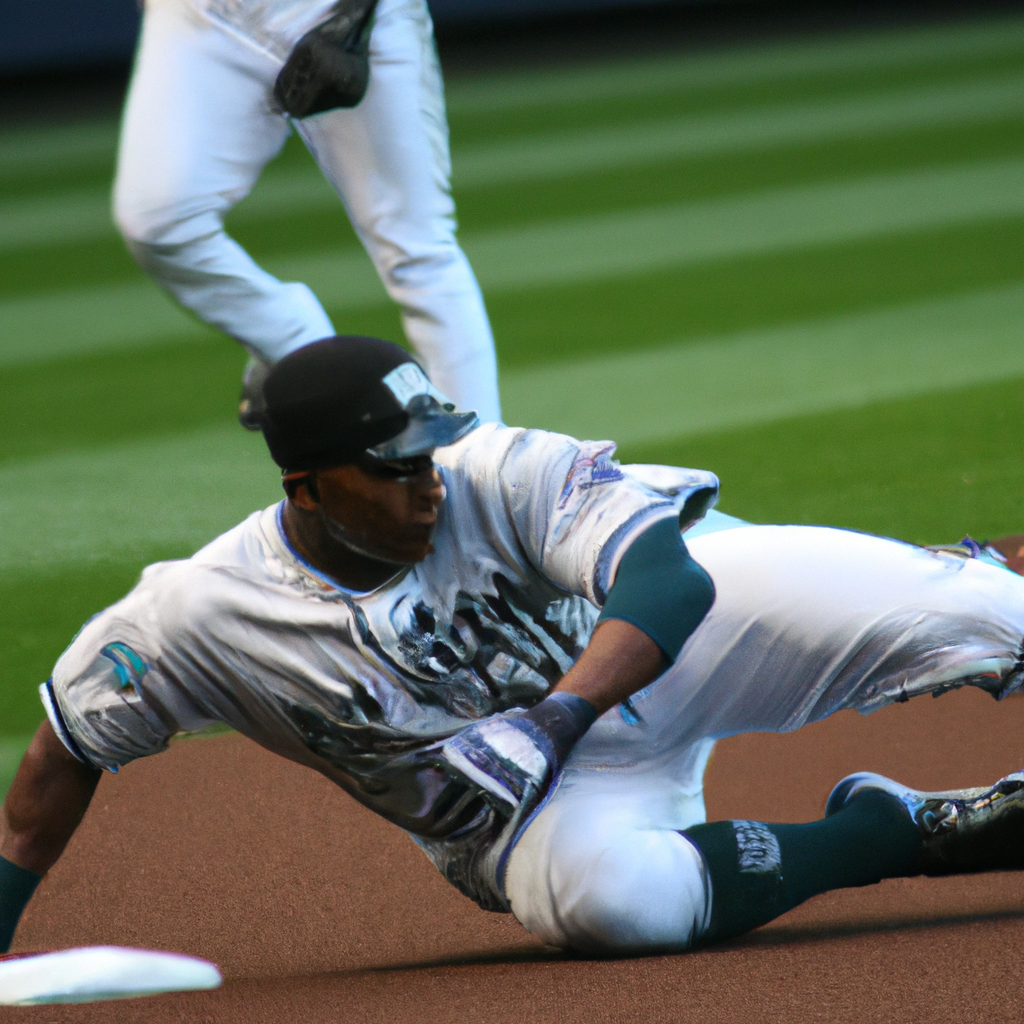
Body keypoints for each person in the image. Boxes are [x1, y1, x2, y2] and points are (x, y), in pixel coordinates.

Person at [4, 335, 1024, 956]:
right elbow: (59, 759)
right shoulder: (196, 617)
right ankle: (901, 831)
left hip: (661, 649)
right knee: (617, 907)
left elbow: (667, 579)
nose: (429, 482)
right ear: (305, 487)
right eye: (393, 468)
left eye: (429, 453)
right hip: (536, 809)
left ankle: (963, 573)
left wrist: (554, 714)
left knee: (993, 618)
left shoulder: (489, 467)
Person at [112, 0, 501, 427]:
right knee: (156, 221)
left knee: (418, 252)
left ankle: (472, 466)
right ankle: (302, 351)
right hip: (206, 16)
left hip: (343, 13)